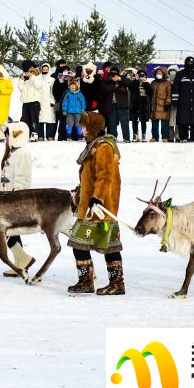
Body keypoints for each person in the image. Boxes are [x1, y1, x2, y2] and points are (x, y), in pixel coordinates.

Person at [66, 112, 124, 296]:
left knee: (91, 244)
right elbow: (91, 176)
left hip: (100, 208)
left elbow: (105, 175)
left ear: (93, 128)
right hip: (91, 206)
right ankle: (87, 281)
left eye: (84, 127)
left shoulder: (104, 147)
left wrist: (97, 198)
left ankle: (116, 283)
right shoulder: (94, 146)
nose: (81, 130)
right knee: (95, 245)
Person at [0, 122, 35, 277]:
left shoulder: (22, 153)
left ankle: (24, 260)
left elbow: (22, 178)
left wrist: (15, 198)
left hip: (15, 200)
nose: (5, 138)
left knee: (5, 230)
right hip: (6, 199)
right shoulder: (13, 153)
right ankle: (20, 263)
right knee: (11, 231)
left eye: (8, 134)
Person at [172, 56, 194, 142]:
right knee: (183, 119)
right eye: (188, 63)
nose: (190, 64)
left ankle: (193, 137)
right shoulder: (180, 74)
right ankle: (183, 137)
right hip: (183, 101)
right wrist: (174, 99)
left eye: (192, 63)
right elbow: (175, 87)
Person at [18, 61, 43, 140]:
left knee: (34, 119)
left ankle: (34, 135)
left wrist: (32, 77)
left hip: (34, 102)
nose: (30, 70)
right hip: (25, 102)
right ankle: (26, 135)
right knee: (24, 119)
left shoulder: (38, 77)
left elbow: (38, 86)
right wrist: (21, 80)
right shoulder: (25, 77)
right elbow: (20, 88)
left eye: (31, 68)